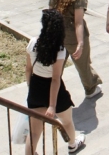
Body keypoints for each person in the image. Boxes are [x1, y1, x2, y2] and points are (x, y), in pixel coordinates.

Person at [24, 9, 85, 154]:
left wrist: (31, 87)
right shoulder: (60, 49)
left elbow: (28, 69)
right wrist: (52, 106)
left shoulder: (33, 43)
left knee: (34, 132)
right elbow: (55, 78)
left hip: (36, 87)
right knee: (67, 121)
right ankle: (72, 145)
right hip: (55, 92)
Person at [48, 0, 103, 99]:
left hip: (58, 36)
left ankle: (51, 92)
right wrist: (81, 43)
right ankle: (90, 89)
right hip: (73, 38)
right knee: (83, 65)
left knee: (57, 67)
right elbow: (78, 22)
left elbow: (50, 15)